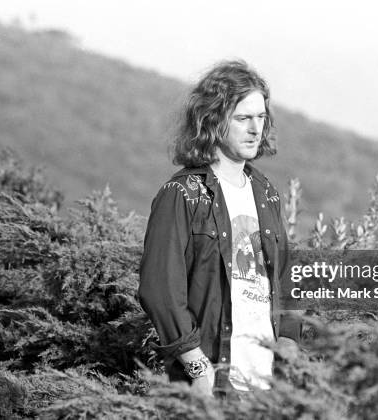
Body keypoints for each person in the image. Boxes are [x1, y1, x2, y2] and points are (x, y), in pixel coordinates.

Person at [139, 60, 300, 397]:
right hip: (214, 386)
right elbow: (160, 291)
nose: (256, 129)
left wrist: (288, 340)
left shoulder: (265, 193)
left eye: (261, 117)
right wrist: (197, 368)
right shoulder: (182, 195)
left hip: (267, 387)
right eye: (243, 118)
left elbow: (285, 277)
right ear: (212, 121)